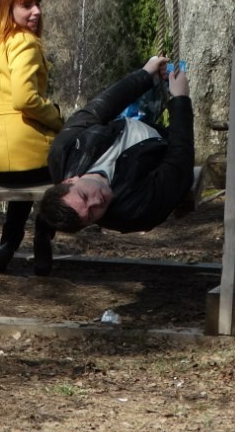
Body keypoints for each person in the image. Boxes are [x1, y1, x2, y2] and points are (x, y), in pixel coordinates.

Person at [36, 56, 193, 272]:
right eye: (91, 215)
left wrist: (145, 74)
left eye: (84, 196)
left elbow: (99, 108)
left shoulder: (65, 152)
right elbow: (179, 159)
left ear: (71, 180)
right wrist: (180, 99)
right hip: (158, 140)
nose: (97, 202)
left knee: (152, 69)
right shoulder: (137, 209)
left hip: (124, 120)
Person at [0, 0, 64, 273]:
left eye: (38, 4)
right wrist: (57, 119)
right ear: (8, 9)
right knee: (62, 165)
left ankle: (9, 240)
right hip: (23, 161)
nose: (37, 12)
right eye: (27, 6)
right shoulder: (25, 42)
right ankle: (43, 236)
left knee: (25, 172)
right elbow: (25, 99)